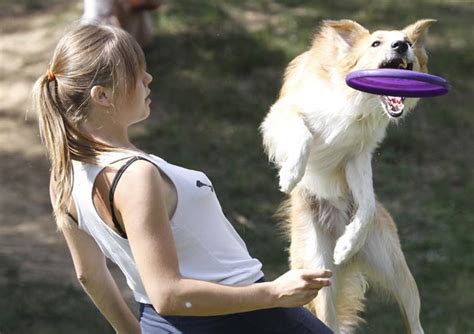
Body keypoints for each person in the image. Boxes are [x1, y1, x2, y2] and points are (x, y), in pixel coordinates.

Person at [32, 23, 333, 334]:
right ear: (102, 95)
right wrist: (273, 294)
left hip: (162, 325)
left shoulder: (63, 177)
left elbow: (89, 275)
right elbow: (168, 294)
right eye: (137, 72)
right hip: (247, 318)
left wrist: (131, 331)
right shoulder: (136, 175)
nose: (148, 79)